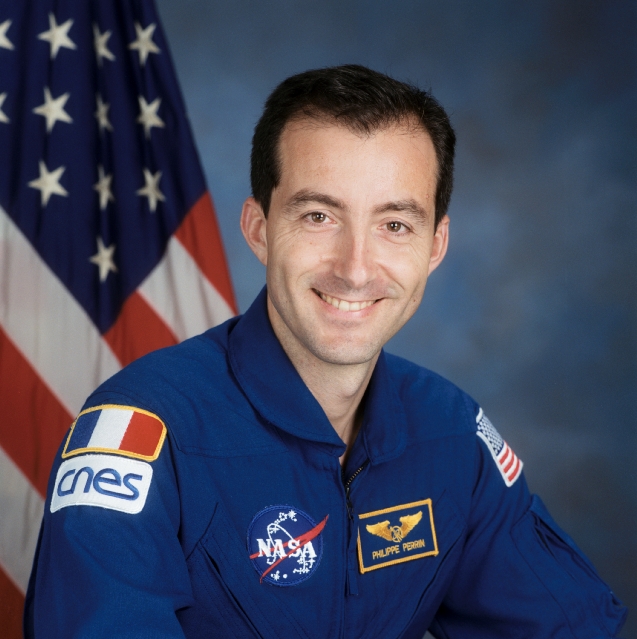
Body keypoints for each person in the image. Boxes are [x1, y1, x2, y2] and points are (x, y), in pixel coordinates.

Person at [25, 65, 627, 638]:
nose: (355, 268)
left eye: (395, 225)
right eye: (318, 216)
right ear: (259, 229)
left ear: (435, 245)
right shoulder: (144, 435)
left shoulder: (451, 436)